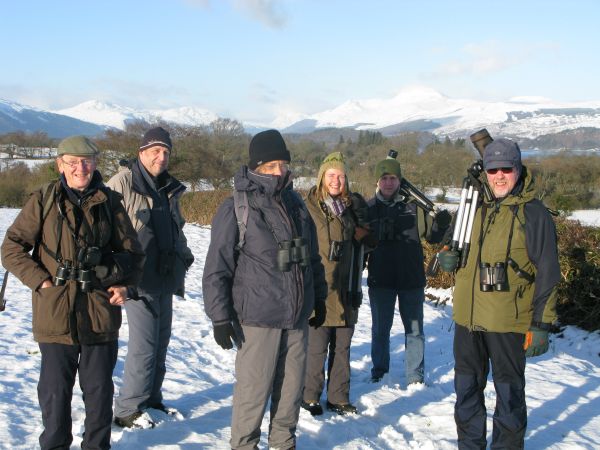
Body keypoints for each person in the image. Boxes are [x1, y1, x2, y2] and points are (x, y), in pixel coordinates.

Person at [1, 135, 144, 450]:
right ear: (60, 165)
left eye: (87, 161)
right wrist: (41, 282)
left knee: (99, 394)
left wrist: (124, 285)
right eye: (73, 162)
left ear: (95, 163)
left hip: (100, 312)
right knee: (54, 394)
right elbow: (11, 248)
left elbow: (135, 255)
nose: (81, 168)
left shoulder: (110, 202)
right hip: (55, 314)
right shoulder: (43, 200)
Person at [203, 129, 327, 450]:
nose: (278, 172)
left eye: (282, 164)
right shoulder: (237, 208)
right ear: (255, 166)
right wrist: (219, 317)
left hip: (297, 318)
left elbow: (312, 257)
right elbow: (217, 268)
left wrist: (320, 298)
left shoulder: (296, 203)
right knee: (252, 397)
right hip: (258, 320)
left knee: (289, 399)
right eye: (271, 165)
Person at [437, 138, 560, 449]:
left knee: (509, 396)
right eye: (493, 169)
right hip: (467, 319)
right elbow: (452, 242)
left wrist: (541, 324)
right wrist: (446, 254)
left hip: (509, 322)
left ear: (518, 170)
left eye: (507, 168)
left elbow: (548, 271)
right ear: (486, 172)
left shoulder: (533, 213)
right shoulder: (472, 206)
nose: (500, 175)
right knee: (466, 391)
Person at [108, 126, 194, 429]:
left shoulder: (167, 186)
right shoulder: (122, 182)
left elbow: (176, 227)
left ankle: (152, 398)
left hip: (165, 276)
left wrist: (185, 255)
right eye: (155, 151)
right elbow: (106, 231)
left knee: (161, 343)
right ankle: (128, 409)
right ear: (141, 153)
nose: (161, 156)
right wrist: (116, 277)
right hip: (137, 281)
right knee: (143, 346)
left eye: (166, 151)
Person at [366, 154, 451, 384]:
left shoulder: (414, 207)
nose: (388, 183)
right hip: (380, 279)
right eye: (384, 178)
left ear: (399, 180)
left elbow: (432, 238)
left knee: (414, 332)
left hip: (410, 280)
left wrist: (441, 225)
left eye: (393, 178)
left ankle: (415, 376)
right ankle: (379, 373)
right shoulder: (368, 208)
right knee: (380, 331)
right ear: (377, 181)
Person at [301, 152, 370, 416]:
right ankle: (310, 396)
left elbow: (367, 240)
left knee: (342, 348)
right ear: (321, 178)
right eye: (331, 175)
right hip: (321, 286)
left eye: (341, 176)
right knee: (316, 348)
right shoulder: (309, 207)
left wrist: (365, 234)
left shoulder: (352, 208)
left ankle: (339, 397)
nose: (336, 181)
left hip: (347, 286)